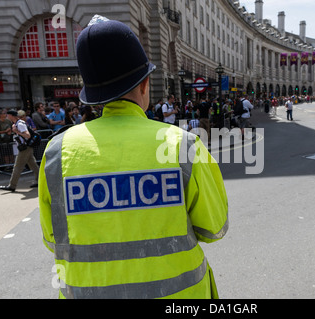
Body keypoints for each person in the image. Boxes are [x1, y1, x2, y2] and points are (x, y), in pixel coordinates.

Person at [39, 17, 228, 299]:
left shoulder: (56, 152)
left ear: (92, 94)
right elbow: (214, 228)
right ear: (144, 84)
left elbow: (54, 240)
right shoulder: (182, 145)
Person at [0, 110, 39, 192]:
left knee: (17, 167)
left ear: (12, 116)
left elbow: (27, 135)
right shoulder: (17, 123)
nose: (7, 116)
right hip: (26, 147)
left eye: (8, 115)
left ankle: (12, 186)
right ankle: (40, 181)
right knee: (34, 166)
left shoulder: (20, 124)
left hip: (25, 148)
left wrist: (17, 131)